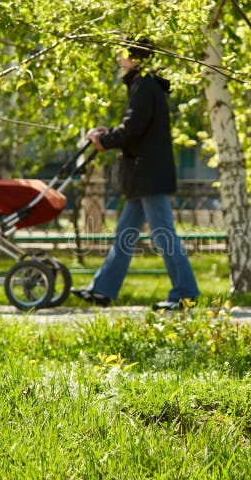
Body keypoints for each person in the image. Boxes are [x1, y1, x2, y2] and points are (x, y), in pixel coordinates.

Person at [72, 38, 200, 310]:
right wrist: (108, 135)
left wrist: (104, 141)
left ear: (133, 56)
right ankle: (103, 289)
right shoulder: (144, 85)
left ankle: (186, 293)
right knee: (126, 233)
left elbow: (133, 129)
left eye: (122, 52)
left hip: (147, 173)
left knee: (163, 233)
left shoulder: (143, 85)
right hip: (143, 172)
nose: (118, 57)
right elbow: (134, 127)